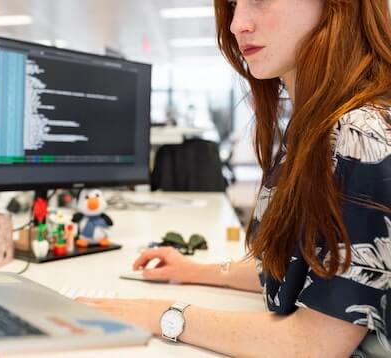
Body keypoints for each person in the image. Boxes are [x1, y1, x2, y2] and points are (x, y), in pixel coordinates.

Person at [78, 0, 391, 356]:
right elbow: (300, 269)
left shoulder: (361, 133)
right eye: (232, 3)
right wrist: (197, 271)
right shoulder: (315, 128)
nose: (236, 24)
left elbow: (316, 342)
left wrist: (159, 314)